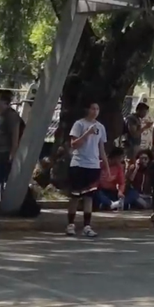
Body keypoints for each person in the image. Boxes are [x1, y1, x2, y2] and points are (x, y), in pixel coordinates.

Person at [67, 101, 108, 237]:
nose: (95, 111)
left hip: (93, 165)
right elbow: (74, 144)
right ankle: (71, 224)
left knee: (89, 196)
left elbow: (101, 148)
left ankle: (87, 226)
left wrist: (106, 167)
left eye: (97, 108)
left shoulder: (100, 127)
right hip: (79, 163)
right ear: (87, 109)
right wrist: (87, 133)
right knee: (75, 195)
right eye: (92, 108)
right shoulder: (79, 124)